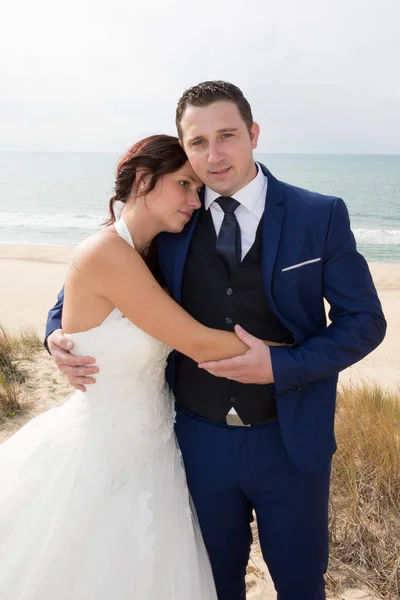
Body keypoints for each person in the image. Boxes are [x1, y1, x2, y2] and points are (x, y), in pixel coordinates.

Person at [46, 82, 387, 600]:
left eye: (227, 135)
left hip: (289, 441)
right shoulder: (172, 212)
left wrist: (282, 367)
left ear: (252, 134)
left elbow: (364, 322)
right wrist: (56, 335)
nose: (214, 154)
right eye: (197, 142)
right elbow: (93, 271)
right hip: (194, 441)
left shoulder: (320, 215)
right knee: (209, 584)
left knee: (300, 584)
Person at [0, 133, 271, 600]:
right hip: (105, 453)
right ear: (144, 181)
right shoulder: (106, 252)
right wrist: (291, 351)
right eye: (185, 185)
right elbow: (195, 341)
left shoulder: (154, 251)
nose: (195, 200)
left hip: (156, 448)